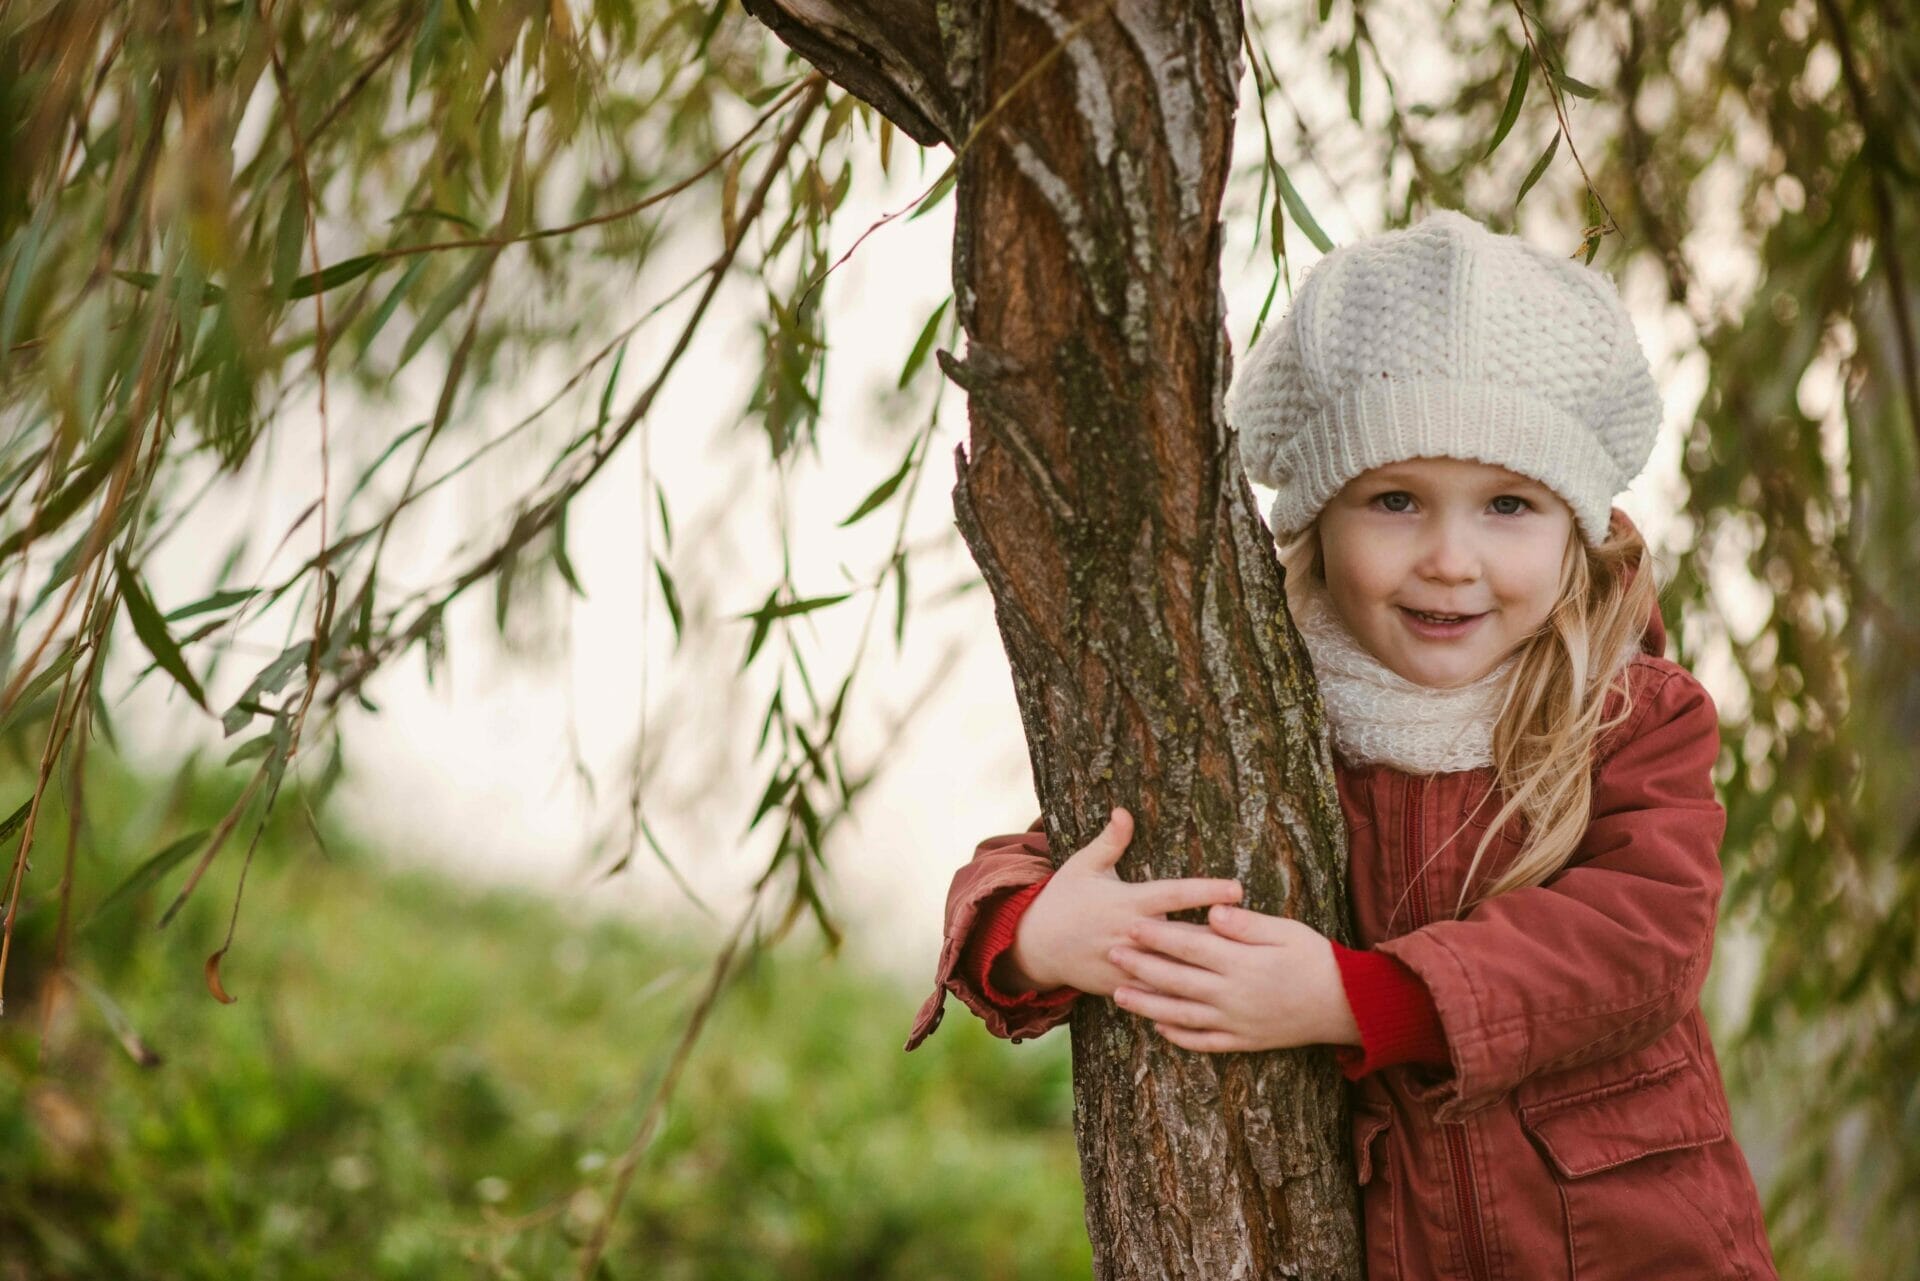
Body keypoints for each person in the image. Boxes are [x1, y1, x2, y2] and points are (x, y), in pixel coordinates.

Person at [903, 209, 1780, 1279]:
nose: (1451, 559)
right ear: (1320, 519)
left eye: (1508, 504)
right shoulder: (1271, 706)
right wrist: (1038, 931)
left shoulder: (1628, 712)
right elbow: (1073, 841)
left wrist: (1357, 997)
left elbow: (1640, 940)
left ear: (1575, 527)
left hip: (1631, 1247)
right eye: (1396, 501)